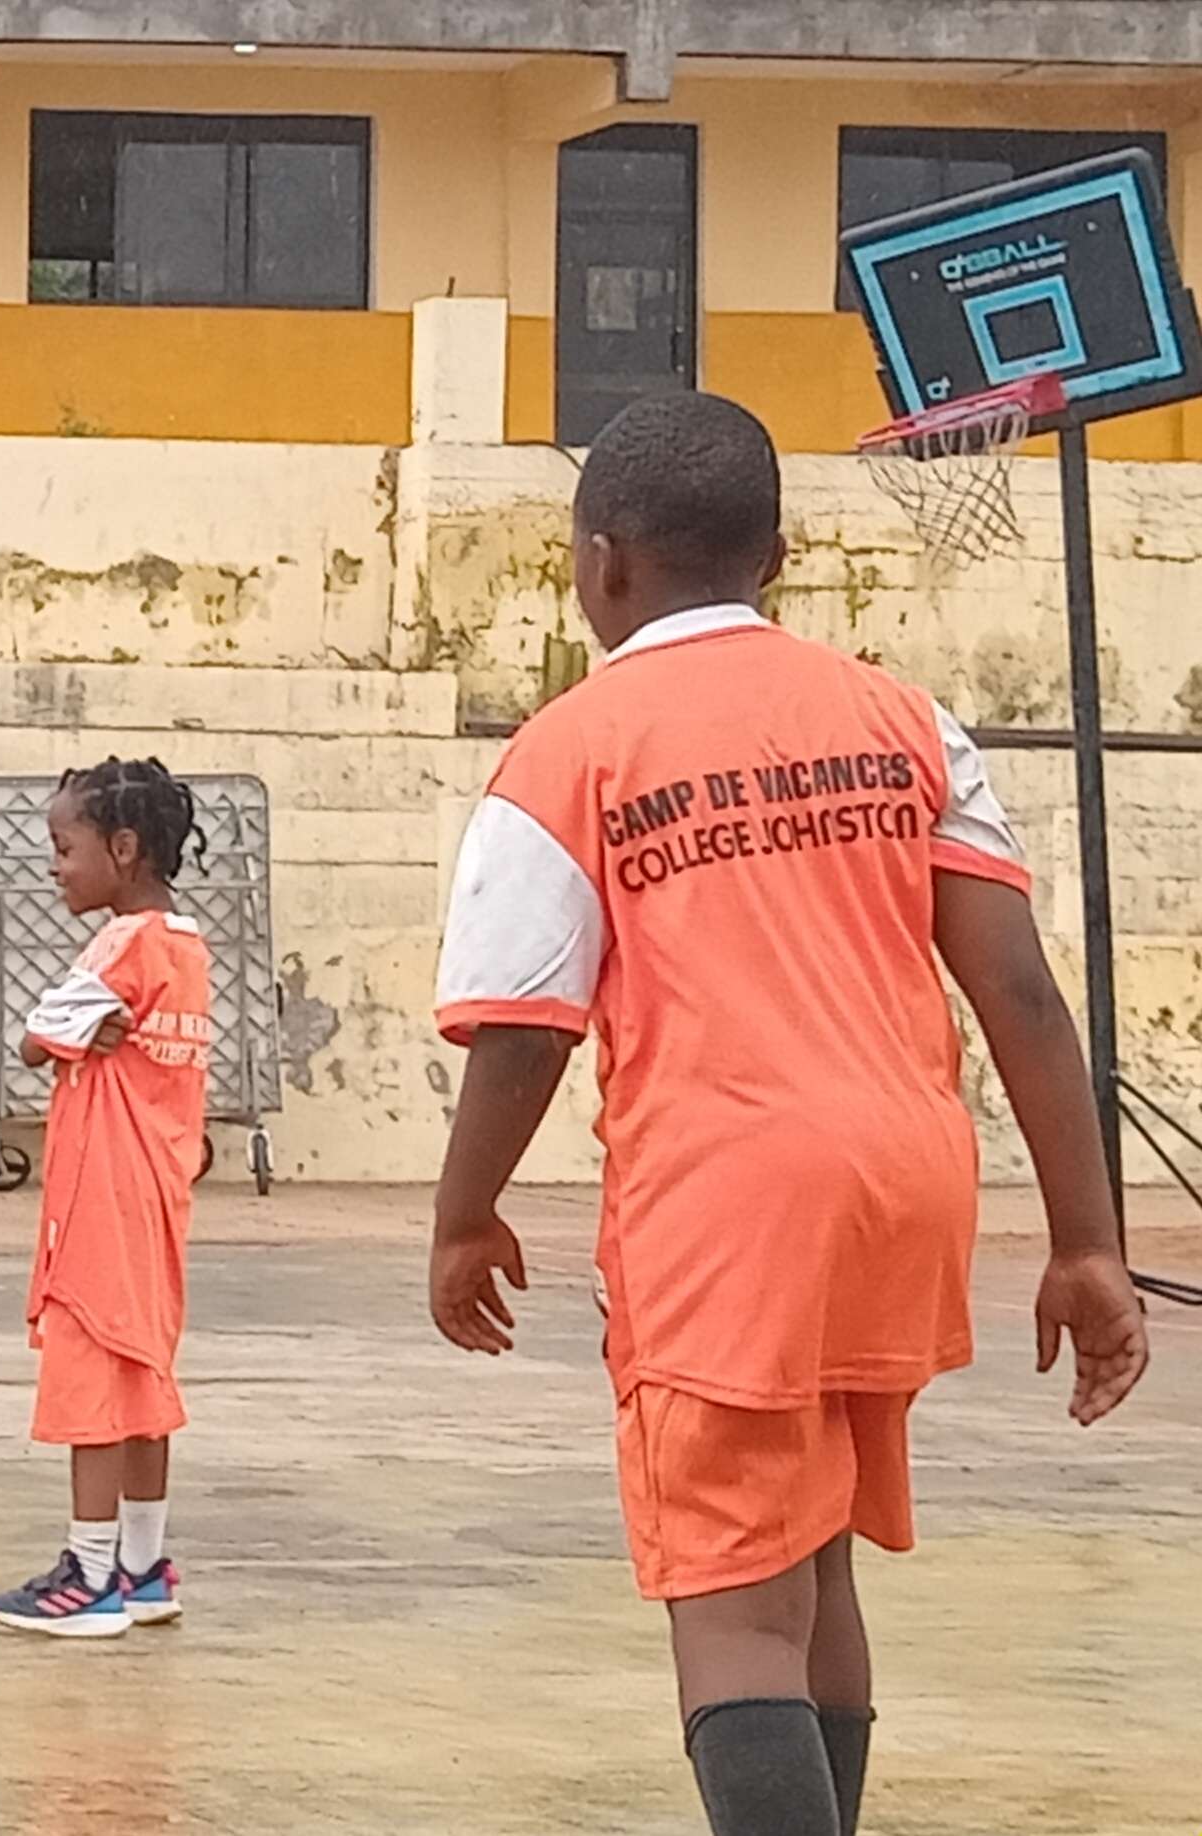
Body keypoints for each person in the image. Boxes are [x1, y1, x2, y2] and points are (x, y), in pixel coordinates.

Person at [426, 391, 1149, 1836]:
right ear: (778, 556)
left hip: (729, 1204)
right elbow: (1016, 987)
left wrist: (463, 1216)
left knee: (735, 1612)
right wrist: (1088, 1242)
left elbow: (521, 1031)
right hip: (907, 1186)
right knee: (815, 1569)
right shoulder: (904, 721)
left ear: (603, 564)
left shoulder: (569, 752)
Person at [0, 759, 211, 1638]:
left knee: (89, 1375)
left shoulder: (121, 943)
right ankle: (146, 1563)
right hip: (157, 1191)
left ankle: (89, 1570)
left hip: (101, 1195)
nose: (55, 866)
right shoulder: (186, 946)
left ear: (122, 849)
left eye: (64, 847)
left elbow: (41, 1039)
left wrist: (68, 1033)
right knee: (145, 1376)